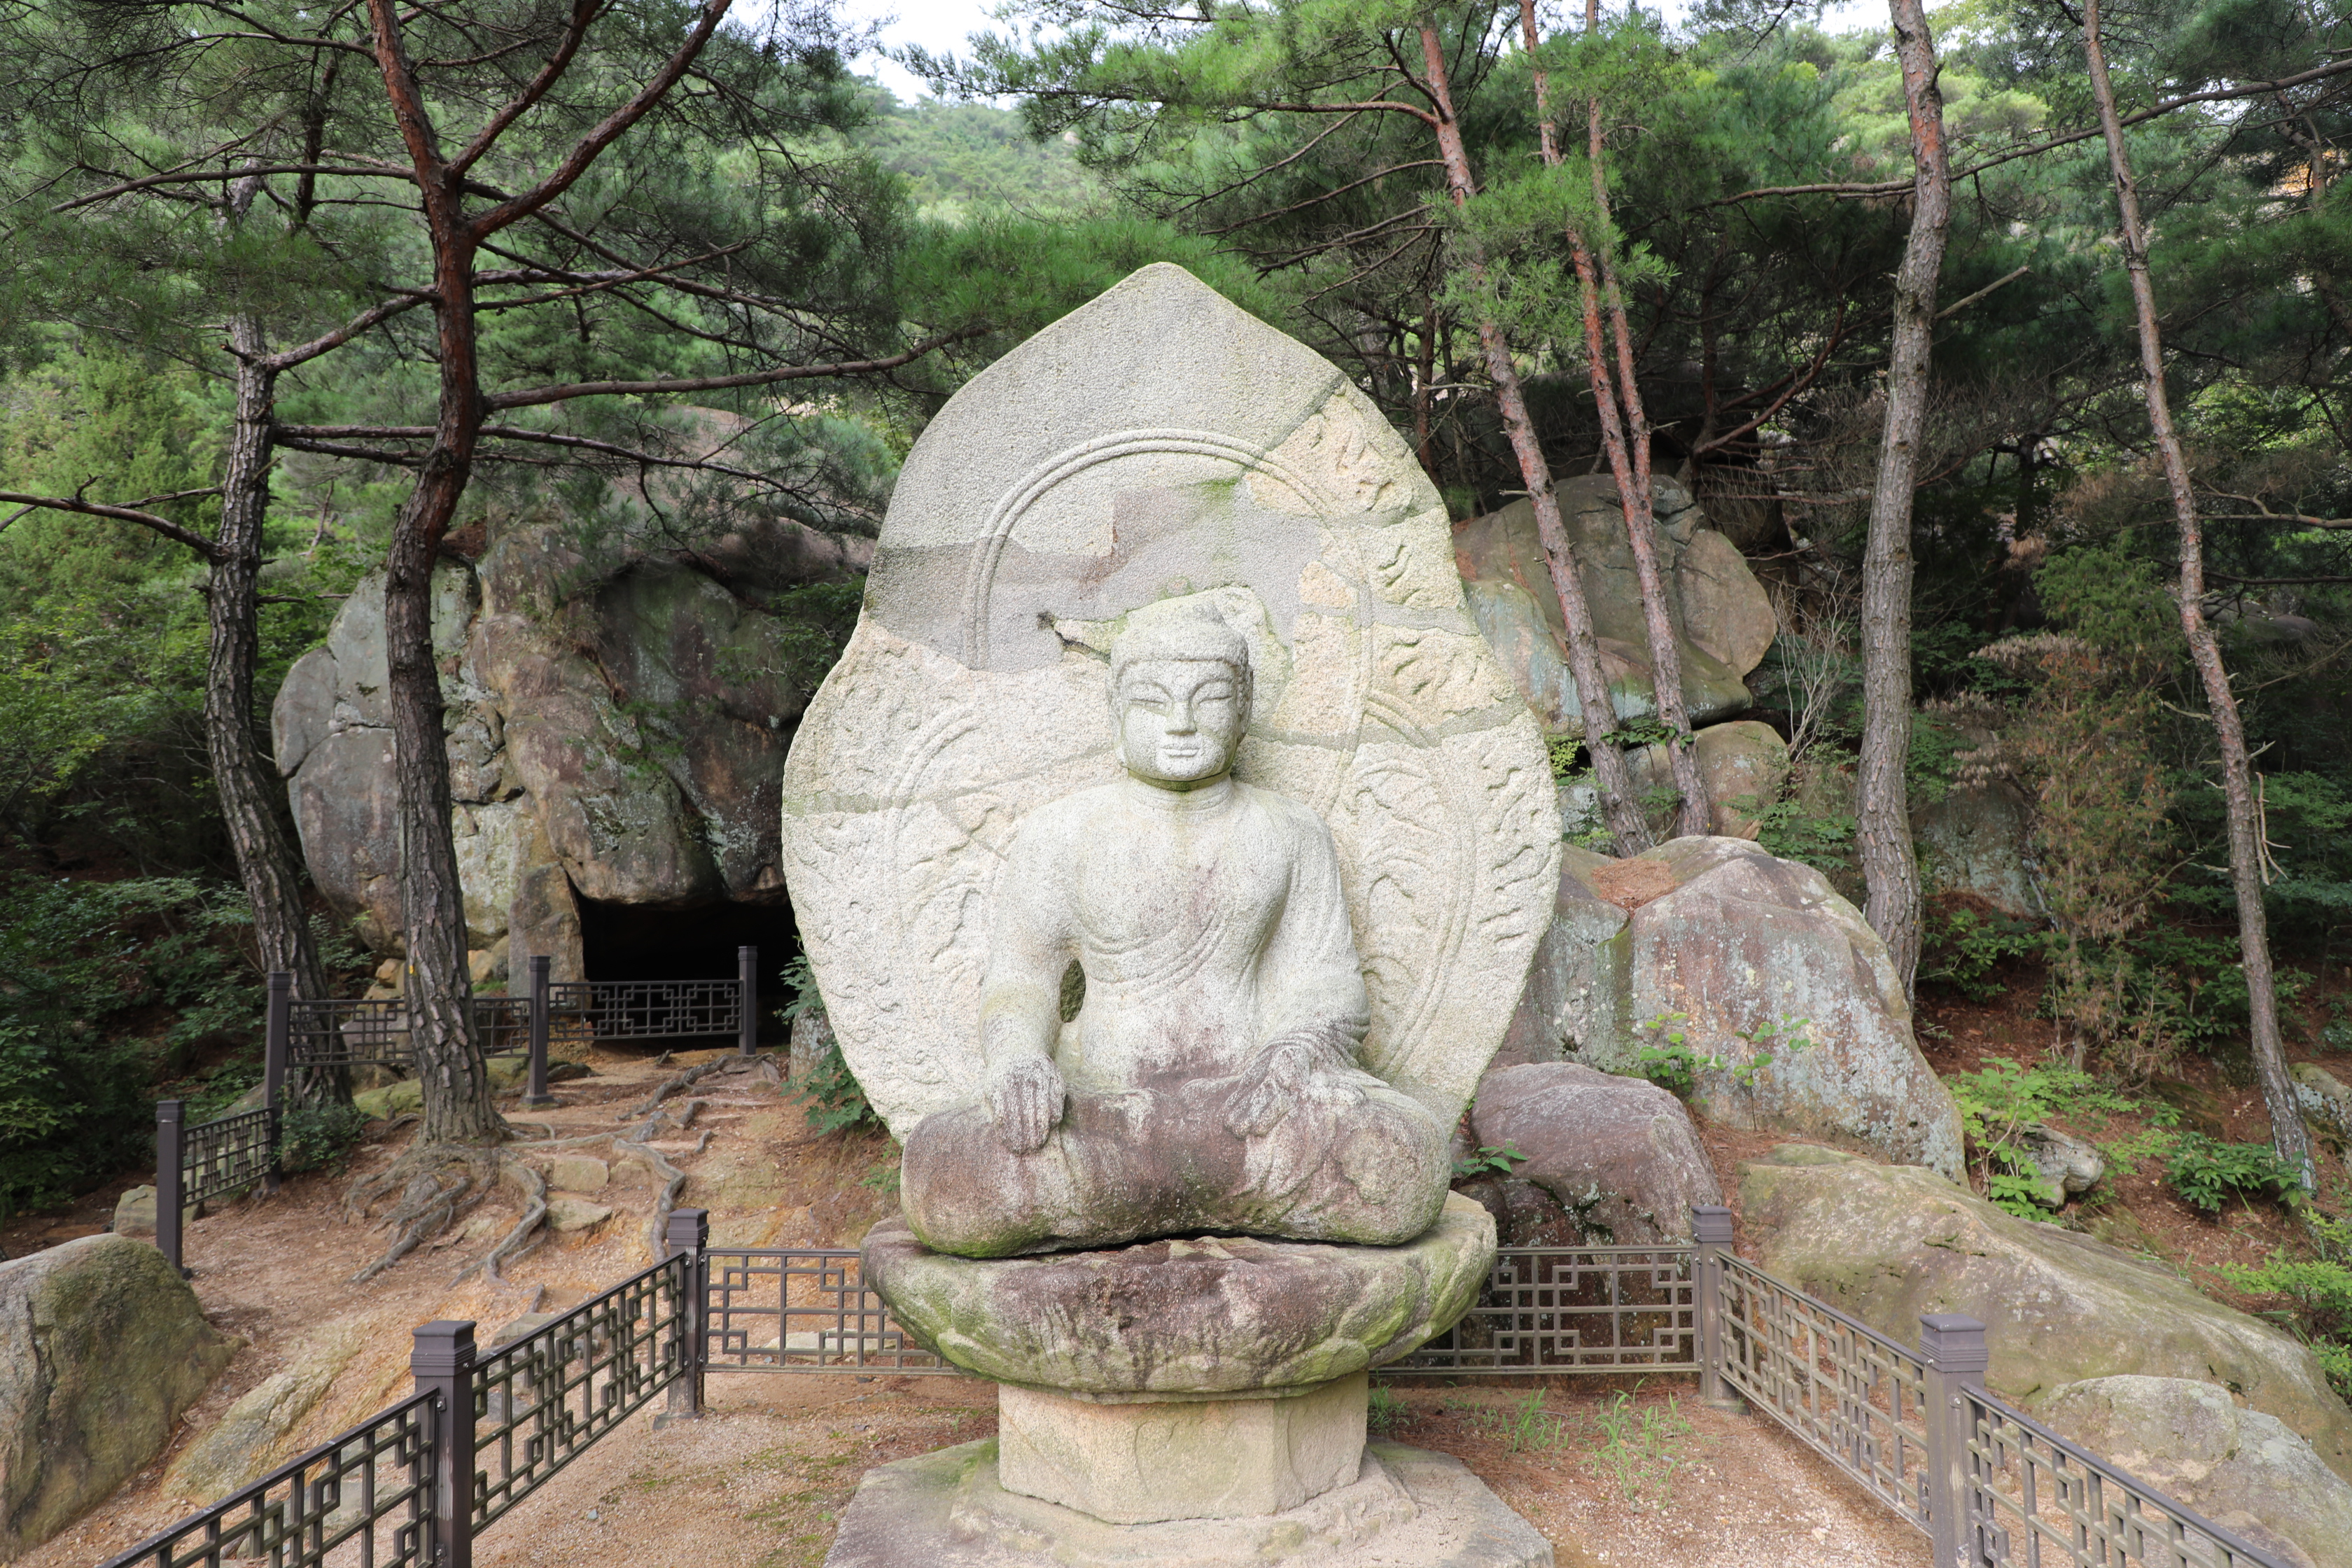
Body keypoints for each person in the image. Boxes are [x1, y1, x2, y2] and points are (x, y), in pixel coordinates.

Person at [899, 598, 1447, 1257]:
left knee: (1406, 1160)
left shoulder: (1292, 833)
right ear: (1115, 712)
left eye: (1208, 699)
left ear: (1243, 710)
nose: (1181, 723)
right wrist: (1019, 1060)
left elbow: (1325, 985)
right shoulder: (1059, 835)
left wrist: (1294, 1055)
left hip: (1245, 1115)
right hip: (1103, 1110)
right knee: (945, 1175)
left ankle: (1129, 1202)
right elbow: (1022, 981)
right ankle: (1183, 1192)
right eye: (1153, 701)